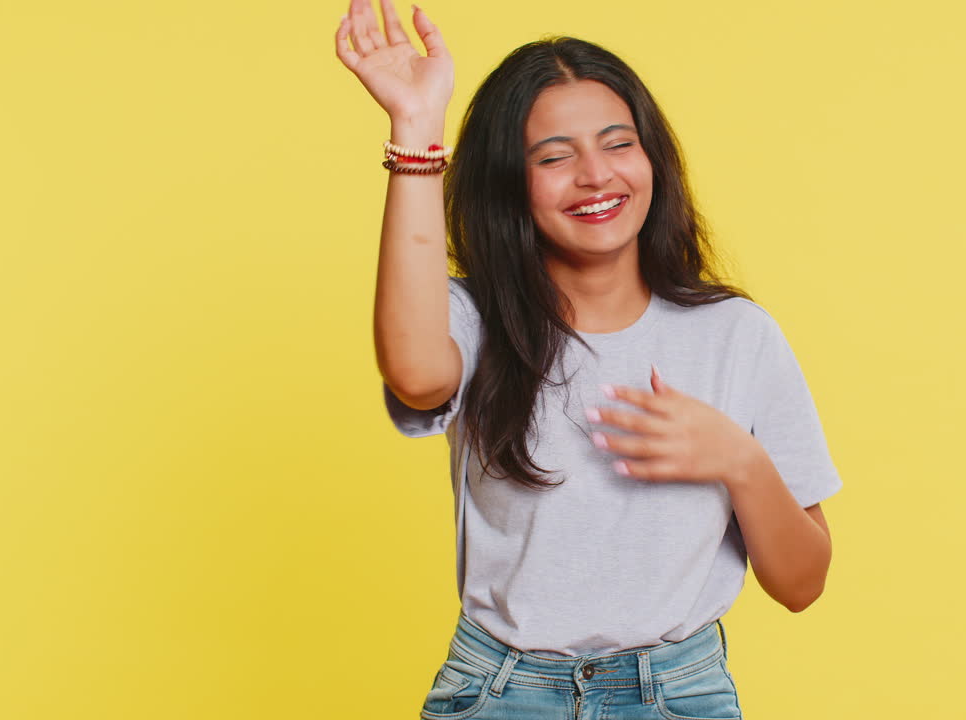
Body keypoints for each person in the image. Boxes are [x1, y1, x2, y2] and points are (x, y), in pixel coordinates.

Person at [335, 1, 843, 717]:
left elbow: (802, 584)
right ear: (511, 182)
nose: (595, 175)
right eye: (553, 157)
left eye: (617, 144)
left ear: (652, 159)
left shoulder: (737, 334)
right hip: (502, 693)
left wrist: (739, 460)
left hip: (679, 694)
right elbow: (416, 375)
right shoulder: (474, 318)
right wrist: (416, 128)